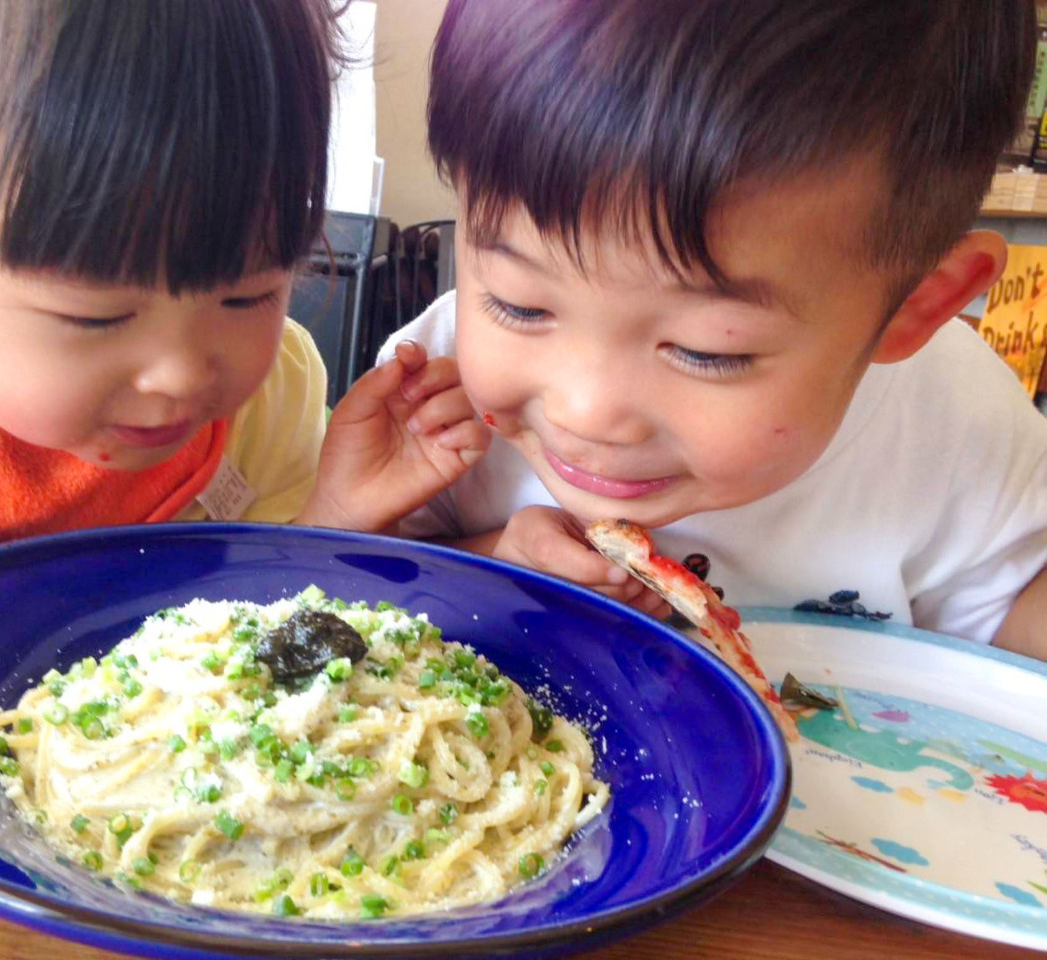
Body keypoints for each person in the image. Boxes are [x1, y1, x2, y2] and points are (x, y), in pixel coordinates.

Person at [380, 0, 1047, 659]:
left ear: (914, 308)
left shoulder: (958, 427)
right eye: (520, 306)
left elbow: (1010, 613)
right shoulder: (433, 398)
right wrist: (496, 561)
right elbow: (364, 583)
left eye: (708, 350)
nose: (585, 412)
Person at [0, 0, 486, 547]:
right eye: (96, 315)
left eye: (249, 294)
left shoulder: (268, 406)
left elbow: (263, 624)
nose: (181, 374)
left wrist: (338, 515)